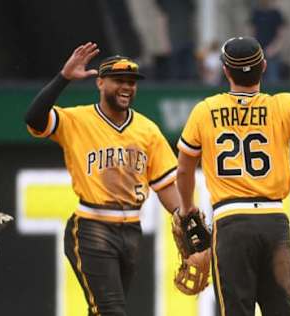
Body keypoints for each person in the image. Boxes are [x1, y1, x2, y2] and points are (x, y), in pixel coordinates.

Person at [176, 13, 290, 316]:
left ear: (225, 70)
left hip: (231, 224)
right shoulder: (281, 106)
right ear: (264, 67)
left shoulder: (205, 111)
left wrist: (187, 207)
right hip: (273, 223)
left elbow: (185, 168)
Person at [24, 42, 179, 315]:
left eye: (131, 82)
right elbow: (34, 119)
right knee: (111, 310)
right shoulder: (77, 120)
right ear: (100, 83)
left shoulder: (147, 129)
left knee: (103, 310)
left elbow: (165, 183)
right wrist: (64, 78)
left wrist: (183, 215)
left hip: (131, 230)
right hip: (92, 226)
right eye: (119, 80)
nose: (127, 87)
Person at [249, 0, 287, 83]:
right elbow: (252, 32)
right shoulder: (256, 13)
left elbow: (281, 34)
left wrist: (275, 48)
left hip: (272, 52)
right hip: (258, 51)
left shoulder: (276, 14)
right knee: (257, 78)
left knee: (272, 79)